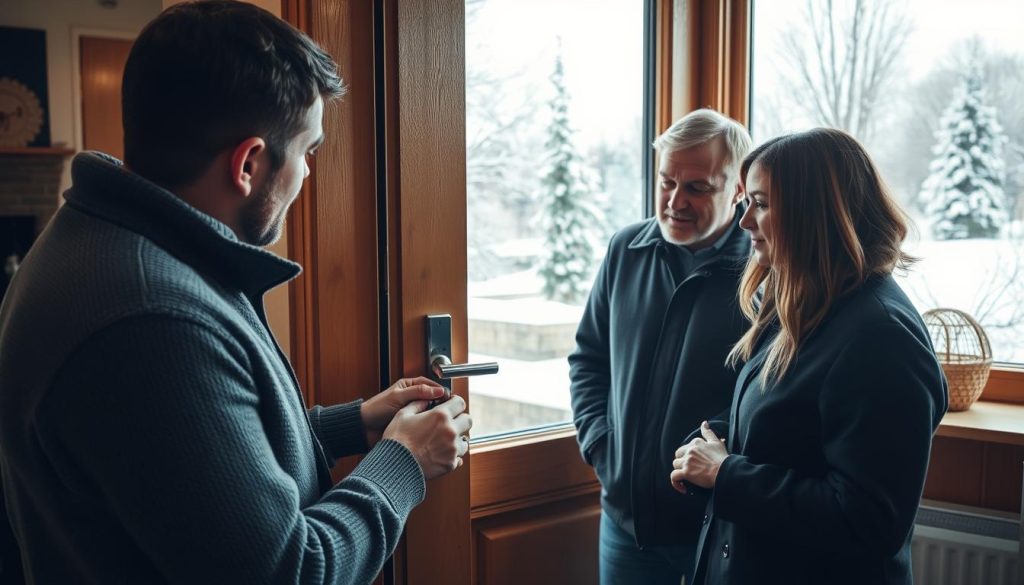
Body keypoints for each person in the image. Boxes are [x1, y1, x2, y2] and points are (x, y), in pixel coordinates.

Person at [0, 2, 471, 584]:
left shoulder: (107, 244)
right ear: (249, 162)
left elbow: (180, 480)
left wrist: (350, 427)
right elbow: (288, 572)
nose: (307, 173)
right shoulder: (150, 319)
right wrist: (404, 463)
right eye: (308, 151)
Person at [671, 128, 947, 585]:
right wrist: (713, 439)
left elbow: (868, 521)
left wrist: (725, 474)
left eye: (759, 204)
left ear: (813, 212)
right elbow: (790, 421)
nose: (744, 223)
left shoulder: (881, 337)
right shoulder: (805, 302)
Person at [569, 108, 752, 585]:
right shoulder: (624, 250)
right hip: (625, 528)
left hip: (721, 529)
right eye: (667, 182)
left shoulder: (766, 272)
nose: (675, 201)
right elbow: (588, 359)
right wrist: (601, 449)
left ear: (738, 190)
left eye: (697, 187)